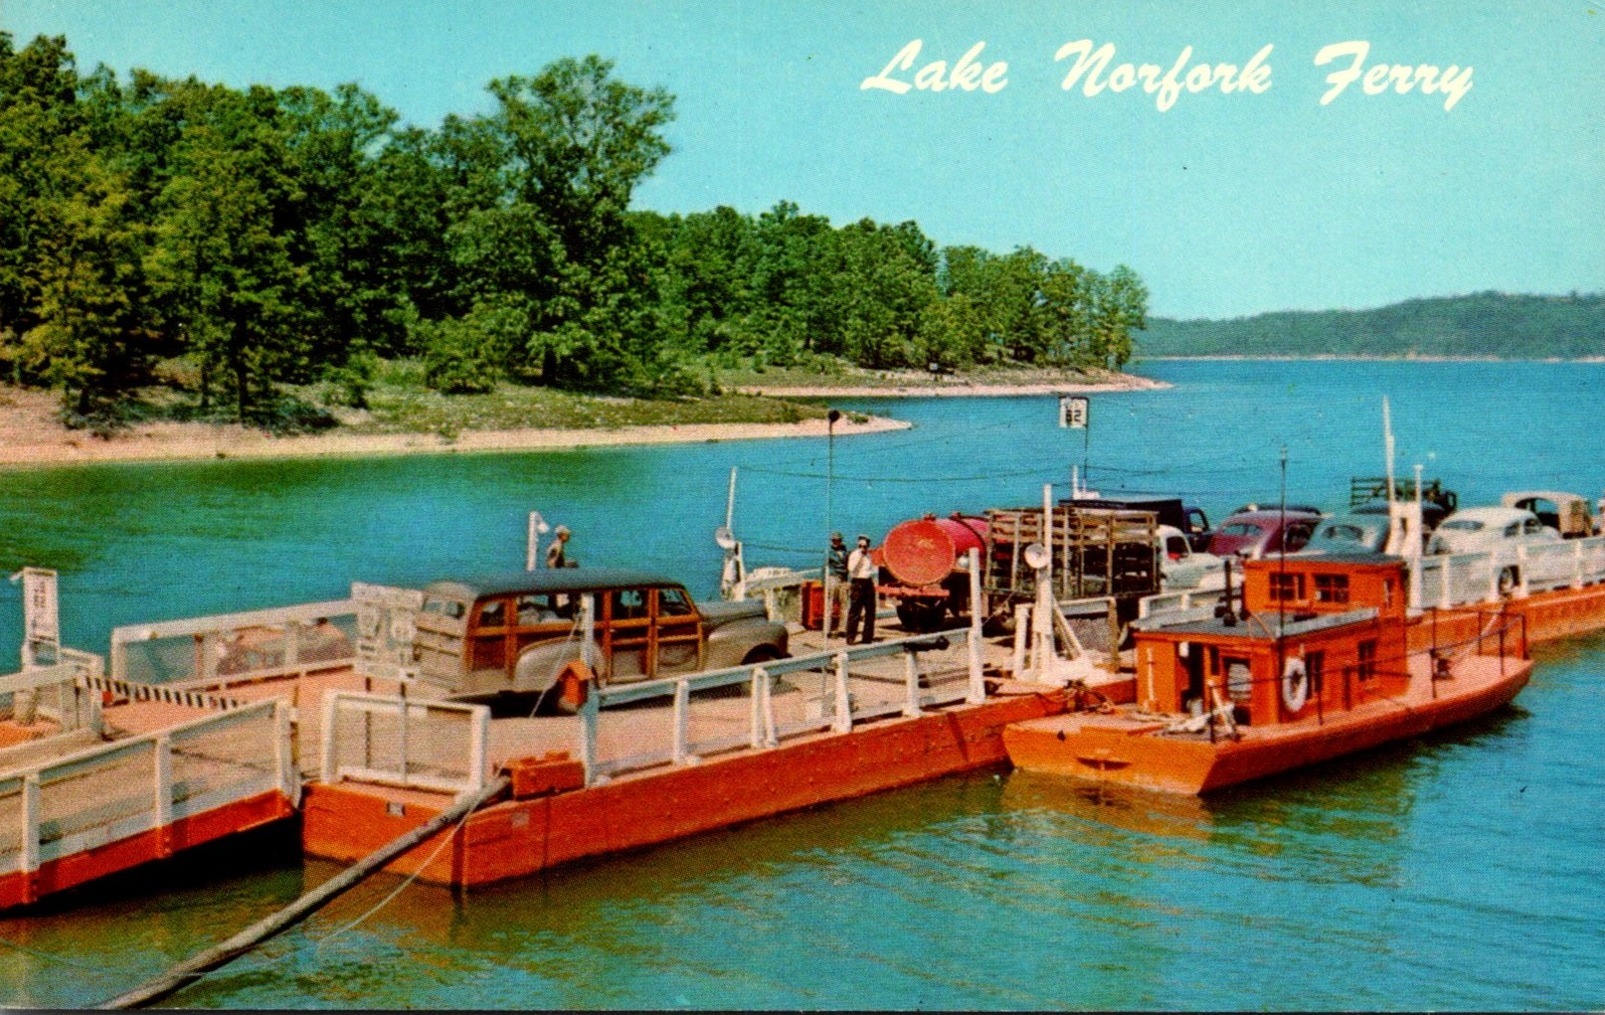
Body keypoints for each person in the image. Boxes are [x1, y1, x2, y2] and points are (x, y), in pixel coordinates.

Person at [845, 533, 878, 645]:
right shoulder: (854, 555)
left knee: (870, 612)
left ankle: (867, 637)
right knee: (855, 611)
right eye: (861, 546)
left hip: (867, 582)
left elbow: (871, 569)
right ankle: (850, 637)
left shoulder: (869, 555)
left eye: (865, 546)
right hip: (857, 583)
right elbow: (851, 568)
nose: (863, 548)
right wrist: (860, 556)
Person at [823, 532, 850, 638]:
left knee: (845, 604)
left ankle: (842, 629)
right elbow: (825, 567)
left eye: (838, 540)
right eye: (834, 540)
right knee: (829, 604)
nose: (836, 542)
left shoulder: (845, 551)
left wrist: (848, 580)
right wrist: (824, 582)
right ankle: (827, 630)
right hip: (833, 577)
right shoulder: (828, 552)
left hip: (843, 578)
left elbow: (848, 565)